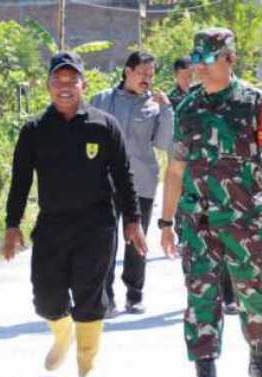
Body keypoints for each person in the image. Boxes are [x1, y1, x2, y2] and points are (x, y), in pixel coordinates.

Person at [160, 28, 262, 377]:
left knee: (252, 292)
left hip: (246, 219)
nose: (199, 66)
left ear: (229, 59)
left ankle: (261, 362)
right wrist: (166, 223)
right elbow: (175, 170)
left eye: (207, 59)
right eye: (196, 59)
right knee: (201, 296)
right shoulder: (186, 108)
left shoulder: (255, 102)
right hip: (197, 222)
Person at [3, 52, 147, 377]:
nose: (65, 87)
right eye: (58, 81)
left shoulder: (103, 125)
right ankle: (62, 331)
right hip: (52, 225)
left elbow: (124, 176)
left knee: (90, 294)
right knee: (46, 297)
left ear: (83, 84)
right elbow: (20, 180)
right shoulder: (35, 130)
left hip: (96, 224)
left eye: (72, 81)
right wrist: (12, 225)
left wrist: (133, 220)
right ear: (48, 85)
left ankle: (87, 365)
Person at [91, 51, 174, 317]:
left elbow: (163, 143)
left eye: (151, 75)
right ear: (128, 71)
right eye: (142, 74)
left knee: (136, 240)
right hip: (106, 183)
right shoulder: (102, 100)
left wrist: (168, 110)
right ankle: (106, 299)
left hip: (142, 183)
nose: (147, 80)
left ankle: (134, 295)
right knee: (105, 241)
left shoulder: (155, 105)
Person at [168, 57, 237, 314]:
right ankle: (200, 295)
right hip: (189, 192)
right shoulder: (179, 104)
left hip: (224, 192)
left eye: (192, 72)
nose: (191, 77)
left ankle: (228, 296)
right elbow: (174, 162)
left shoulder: (223, 100)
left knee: (228, 247)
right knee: (193, 249)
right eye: (186, 74)